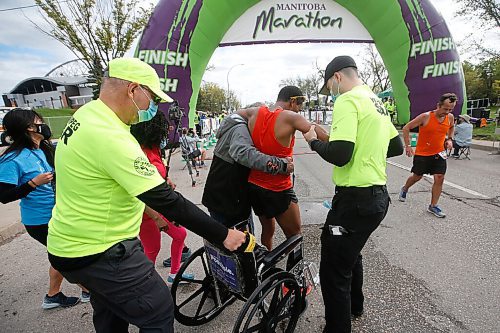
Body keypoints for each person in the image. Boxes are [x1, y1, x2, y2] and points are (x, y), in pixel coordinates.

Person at [46, 57, 246, 333]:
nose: (151, 106)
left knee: (109, 309)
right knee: (158, 311)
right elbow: (167, 201)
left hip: (66, 246)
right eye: (150, 97)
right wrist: (224, 234)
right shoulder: (111, 136)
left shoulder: (86, 114)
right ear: (133, 90)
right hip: (100, 250)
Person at [303, 55, 403, 333]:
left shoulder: (347, 100)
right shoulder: (376, 102)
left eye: (328, 88)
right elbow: (395, 147)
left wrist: (313, 141)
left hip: (354, 201)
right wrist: (333, 140)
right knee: (351, 253)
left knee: (333, 270)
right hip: (377, 197)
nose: (330, 95)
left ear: (337, 77)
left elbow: (341, 155)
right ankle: (355, 306)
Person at [0, 108, 88, 309]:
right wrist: (33, 183)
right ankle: (87, 289)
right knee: (66, 255)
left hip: (58, 214)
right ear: (29, 128)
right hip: (39, 220)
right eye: (38, 120)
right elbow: (3, 197)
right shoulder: (12, 160)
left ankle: (54, 295)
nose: (43, 123)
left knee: (61, 254)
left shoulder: (44, 149)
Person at [237, 86, 329, 250]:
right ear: (293, 101)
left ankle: (265, 265)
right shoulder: (291, 117)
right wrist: (336, 142)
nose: (300, 109)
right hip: (278, 188)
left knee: (267, 229)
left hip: (254, 185)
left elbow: (235, 114)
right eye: (300, 104)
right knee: (295, 236)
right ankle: (296, 272)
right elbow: (315, 131)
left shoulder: (254, 112)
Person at [202, 109, 294, 233]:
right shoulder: (240, 129)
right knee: (237, 243)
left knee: (236, 240)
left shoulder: (236, 124)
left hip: (224, 198)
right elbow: (244, 154)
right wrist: (281, 165)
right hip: (227, 200)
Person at [130, 112, 194, 285]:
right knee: (152, 250)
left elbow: (158, 174)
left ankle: (174, 274)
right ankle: (145, 283)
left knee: (179, 235)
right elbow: (134, 192)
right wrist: (156, 217)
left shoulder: (154, 148)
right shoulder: (139, 155)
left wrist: (167, 180)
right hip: (148, 212)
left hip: (159, 206)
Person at [399, 93, 456, 218]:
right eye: (445, 109)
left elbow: (451, 127)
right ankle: (405, 188)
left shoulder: (450, 117)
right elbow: (406, 128)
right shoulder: (425, 117)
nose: (447, 112)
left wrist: (450, 139)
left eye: (450, 109)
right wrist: (408, 146)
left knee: (440, 177)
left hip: (439, 153)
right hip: (423, 154)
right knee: (417, 177)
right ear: (438, 106)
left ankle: (433, 205)